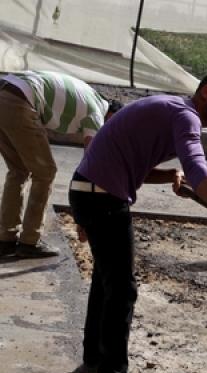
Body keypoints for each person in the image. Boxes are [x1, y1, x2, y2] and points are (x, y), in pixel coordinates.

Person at [69, 71, 207, 373]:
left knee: (107, 280)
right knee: (122, 289)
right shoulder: (186, 115)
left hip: (87, 189)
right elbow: (196, 165)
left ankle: (94, 358)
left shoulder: (170, 108)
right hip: (103, 197)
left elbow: (129, 162)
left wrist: (168, 176)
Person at [0, 70, 121, 258]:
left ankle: (6, 238)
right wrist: (86, 213)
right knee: (45, 172)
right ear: (112, 115)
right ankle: (30, 241)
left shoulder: (88, 94)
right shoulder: (97, 112)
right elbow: (92, 164)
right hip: (20, 99)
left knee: (18, 170)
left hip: (5, 90)